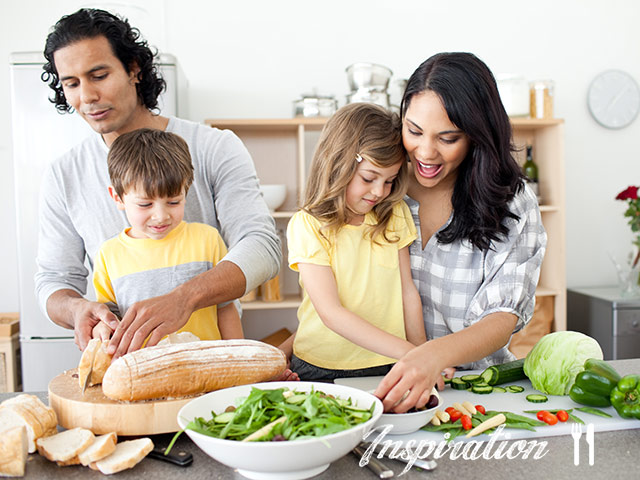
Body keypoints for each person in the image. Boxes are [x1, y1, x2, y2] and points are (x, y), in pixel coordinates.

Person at [37, 8, 281, 357]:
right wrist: (76, 309)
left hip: (209, 358)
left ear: (134, 68)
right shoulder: (63, 175)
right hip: (133, 364)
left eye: (99, 75)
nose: (87, 96)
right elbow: (54, 280)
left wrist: (184, 298)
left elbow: (262, 248)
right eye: (71, 84)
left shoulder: (214, 146)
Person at [374, 52, 547, 412]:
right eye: (414, 131)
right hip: (382, 386)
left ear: (477, 134)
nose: (425, 152)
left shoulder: (512, 203)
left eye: (448, 138)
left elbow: (501, 318)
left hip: (478, 393)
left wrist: (432, 356)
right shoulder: (380, 188)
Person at [286, 103, 426, 381]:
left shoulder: (393, 213)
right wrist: (410, 352)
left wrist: (423, 353)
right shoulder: (308, 225)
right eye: (369, 178)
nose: (379, 192)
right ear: (338, 165)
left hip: (389, 362)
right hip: (321, 366)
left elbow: (407, 292)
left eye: (389, 181)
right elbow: (331, 313)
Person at [91, 128, 242, 343]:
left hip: (207, 368)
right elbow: (109, 321)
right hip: (144, 372)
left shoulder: (208, 240)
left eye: (173, 202)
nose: (161, 216)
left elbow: (226, 309)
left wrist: (238, 361)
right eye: (145, 204)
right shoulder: (109, 254)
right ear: (118, 197)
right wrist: (101, 330)